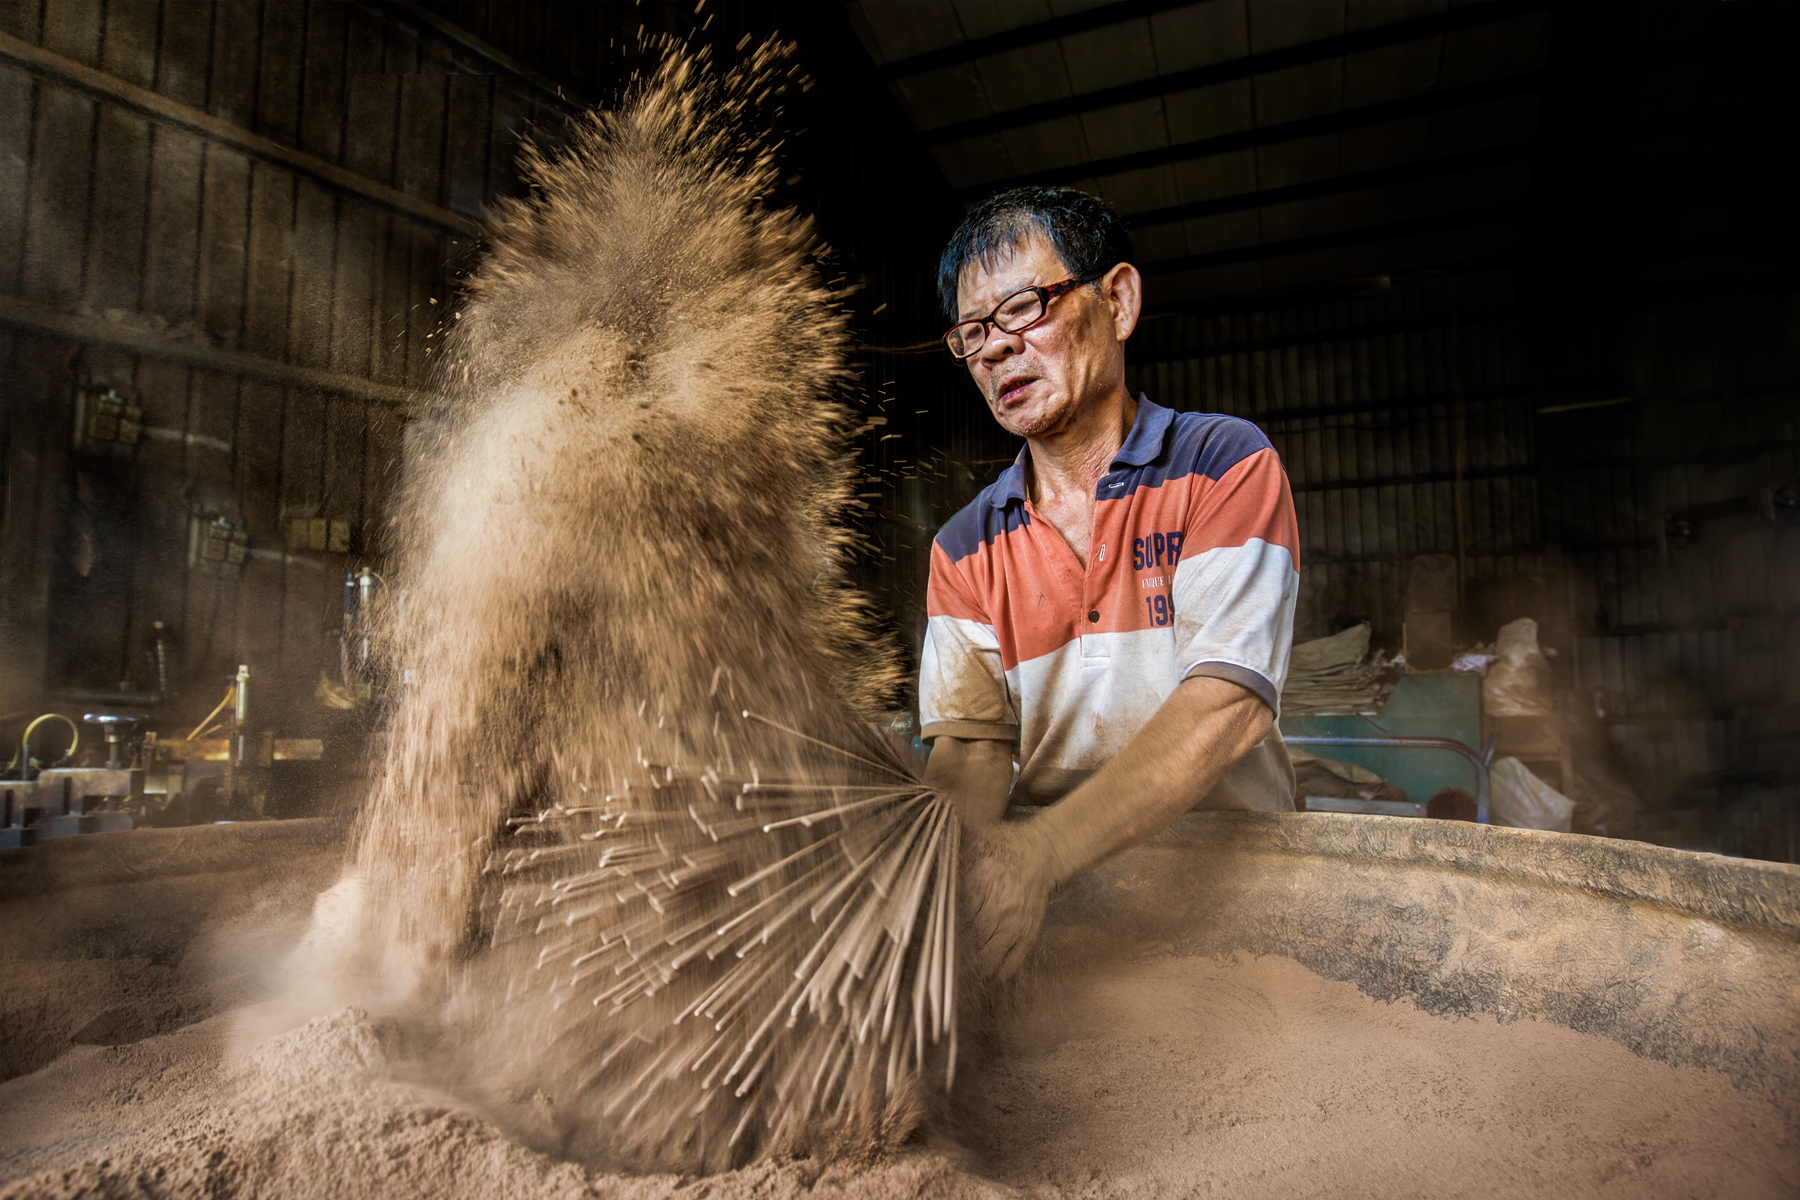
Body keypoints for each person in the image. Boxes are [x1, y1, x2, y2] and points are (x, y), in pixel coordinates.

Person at [919, 187, 1300, 980]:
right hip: (1066, 906)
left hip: (1241, 893)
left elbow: (1225, 704)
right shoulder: (964, 547)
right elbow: (971, 748)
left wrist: (1040, 852)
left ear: (1118, 300)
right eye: (971, 333)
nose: (993, 350)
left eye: (1022, 308)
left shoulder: (1223, 464)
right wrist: (932, 874)